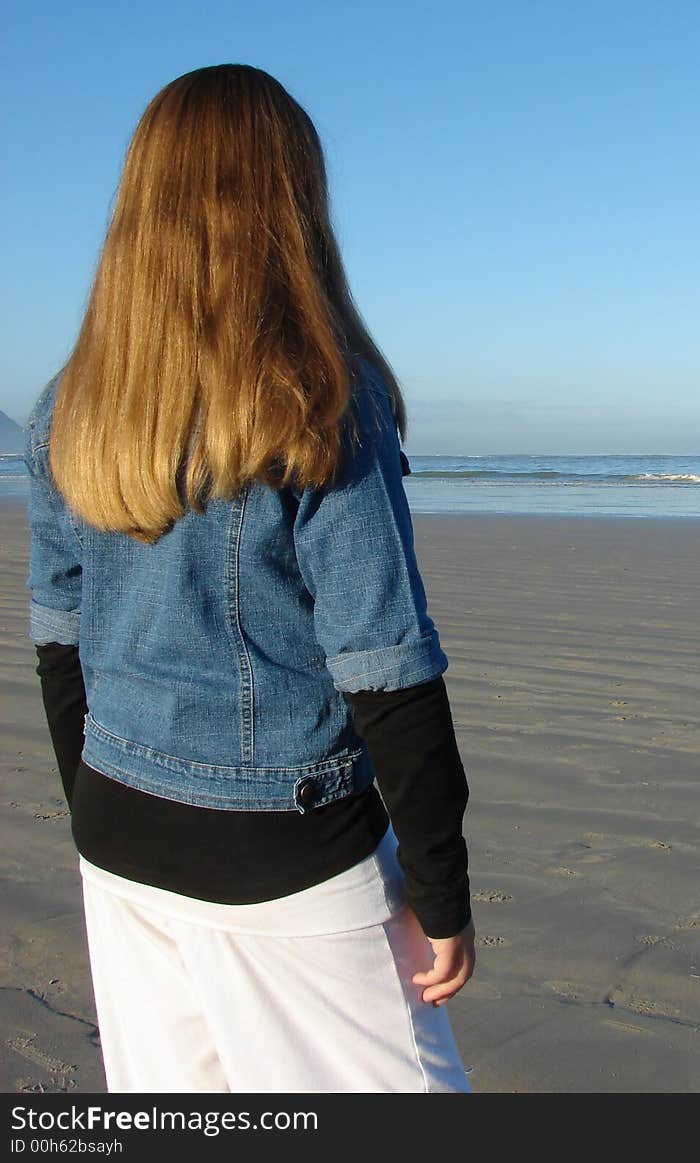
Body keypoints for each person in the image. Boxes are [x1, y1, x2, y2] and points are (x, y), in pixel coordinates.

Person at [23, 63, 475, 1094]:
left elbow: (59, 643)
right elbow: (386, 665)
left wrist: (109, 804)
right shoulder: (318, 394)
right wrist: (442, 896)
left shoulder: (68, 407)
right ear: (290, 204)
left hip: (118, 835)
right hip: (283, 848)